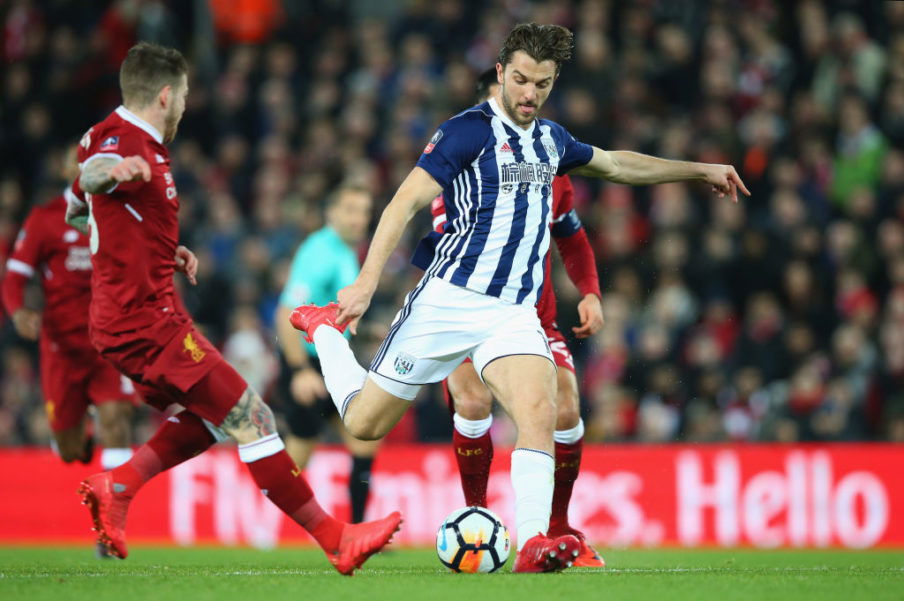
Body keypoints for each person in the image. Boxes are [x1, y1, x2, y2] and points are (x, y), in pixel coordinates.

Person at [290, 23, 748, 573]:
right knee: (364, 424)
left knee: (539, 409)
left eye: (543, 84)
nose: (530, 94)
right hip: (447, 301)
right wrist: (366, 282)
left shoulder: (552, 140)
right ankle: (323, 331)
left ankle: (532, 543)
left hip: (513, 312)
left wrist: (697, 170)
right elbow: (402, 203)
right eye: (522, 80)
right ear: (502, 73)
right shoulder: (465, 131)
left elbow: (617, 164)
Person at [69, 42, 400, 574]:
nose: (185, 107)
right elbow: (92, 179)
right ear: (165, 95)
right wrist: (114, 172)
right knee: (254, 415)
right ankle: (336, 539)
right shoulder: (125, 142)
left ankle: (120, 486)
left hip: (132, 317)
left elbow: (77, 211)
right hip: (144, 320)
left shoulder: (111, 136)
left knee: (217, 417)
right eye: (184, 97)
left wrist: (155, 248)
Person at [429, 68, 605, 568]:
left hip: (534, 318)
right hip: (467, 315)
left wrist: (590, 292)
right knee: (471, 400)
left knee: (565, 412)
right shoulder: (459, 170)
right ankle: (477, 515)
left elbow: (570, 234)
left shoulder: (549, 166)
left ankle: (558, 527)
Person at [1, 148, 137, 475]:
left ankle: (119, 497)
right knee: (68, 449)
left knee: (116, 418)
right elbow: (15, 276)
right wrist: (18, 312)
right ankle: (80, 428)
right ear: (67, 172)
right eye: (82, 166)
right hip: (62, 347)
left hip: (109, 342)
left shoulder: (119, 215)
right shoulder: (45, 219)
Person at [274, 183, 379, 524]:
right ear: (331, 213)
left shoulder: (346, 252)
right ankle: (258, 524)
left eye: (364, 211)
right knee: (299, 454)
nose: (359, 219)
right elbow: (286, 311)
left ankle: (360, 529)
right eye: (350, 210)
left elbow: (332, 312)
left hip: (333, 361)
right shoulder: (319, 251)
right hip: (309, 364)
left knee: (364, 437)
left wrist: (370, 331)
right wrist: (299, 370)